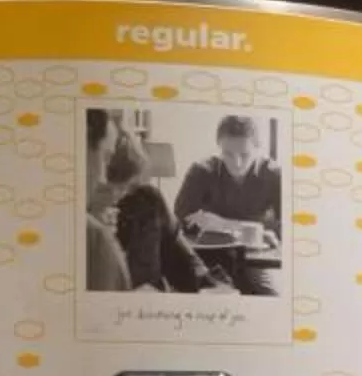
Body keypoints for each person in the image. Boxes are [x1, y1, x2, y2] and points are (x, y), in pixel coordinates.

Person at [88, 113, 221, 294]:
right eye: (112, 188)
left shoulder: (147, 200)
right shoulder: (83, 229)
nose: (120, 196)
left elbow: (185, 261)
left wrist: (210, 286)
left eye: (128, 187)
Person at [175, 114, 283, 296]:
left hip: (252, 259)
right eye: (228, 154)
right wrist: (256, 229)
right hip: (207, 256)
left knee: (270, 298)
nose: (237, 163)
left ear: (258, 148)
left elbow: (288, 229)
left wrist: (222, 224)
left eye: (245, 154)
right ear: (219, 147)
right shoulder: (201, 171)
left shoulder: (274, 174)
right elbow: (179, 219)